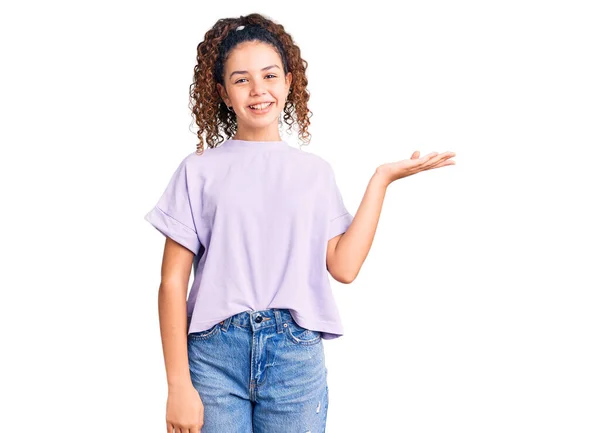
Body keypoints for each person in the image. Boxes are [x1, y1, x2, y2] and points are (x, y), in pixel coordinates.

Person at [144, 12, 456, 433]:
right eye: (241, 79)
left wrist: (380, 180)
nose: (258, 90)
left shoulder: (315, 172)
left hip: (294, 356)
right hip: (214, 356)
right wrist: (177, 384)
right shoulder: (197, 170)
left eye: (269, 75)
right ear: (221, 92)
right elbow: (171, 283)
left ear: (289, 82)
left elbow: (343, 267)